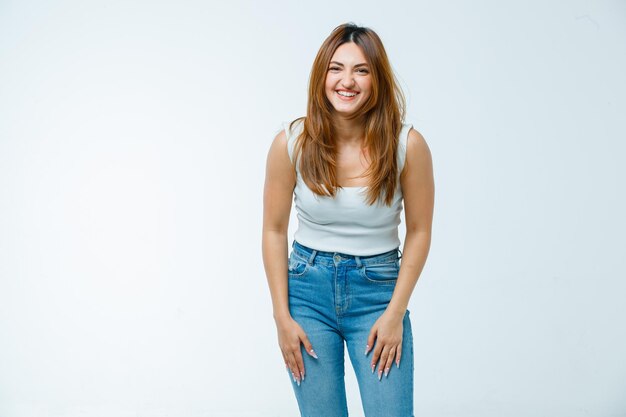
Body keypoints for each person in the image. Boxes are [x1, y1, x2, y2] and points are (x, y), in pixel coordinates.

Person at [262, 22, 434, 417]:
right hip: (307, 292)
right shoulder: (291, 142)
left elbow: (420, 231)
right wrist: (281, 317)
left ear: (377, 79)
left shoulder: (407, 145)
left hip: (378, 295)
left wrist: (394, 315)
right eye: (336, 68)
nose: (347, 81)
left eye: (361, 70)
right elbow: (273, 230)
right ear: (322, 75)